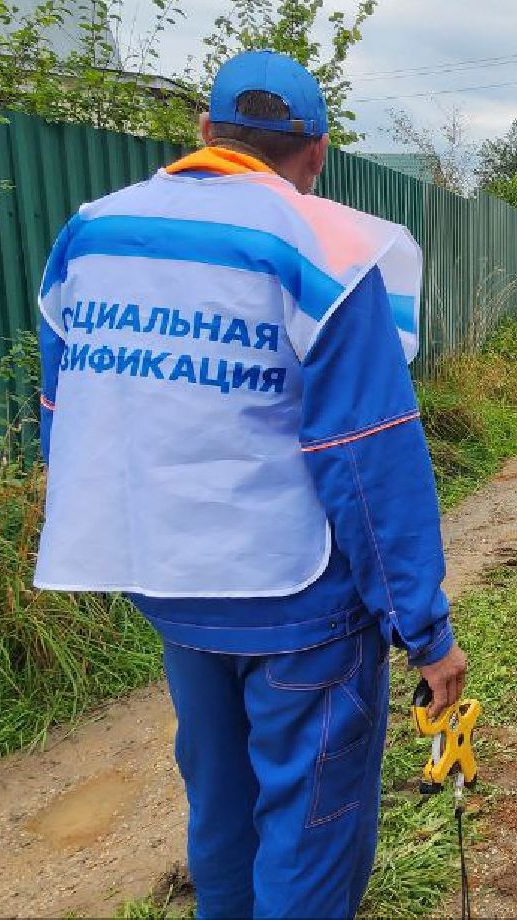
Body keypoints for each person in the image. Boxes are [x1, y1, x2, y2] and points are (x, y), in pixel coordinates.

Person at [32, 49, 467, 916]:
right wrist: (425, 631)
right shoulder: (326, 249)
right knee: (310, 830)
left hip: (169, 585)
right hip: (295, 598)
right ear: (317, 152)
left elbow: (66, 409)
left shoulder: (93, 232)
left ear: (204, 134)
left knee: (221, 812)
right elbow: (368, 453)